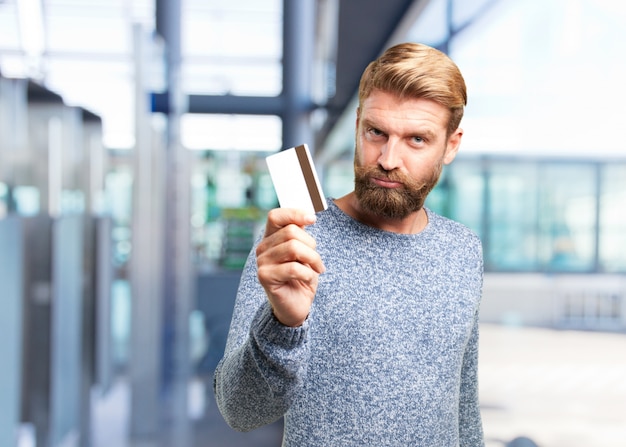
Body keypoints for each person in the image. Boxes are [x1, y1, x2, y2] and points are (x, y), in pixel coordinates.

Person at [214, 42, 484, 446]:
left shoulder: (463, 249)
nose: (388, 158)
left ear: (451, 145)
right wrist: (283, 324)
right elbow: (239, 411)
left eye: (416, 140)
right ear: (358, 124)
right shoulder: (294, 243)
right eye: (377, 132)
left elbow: (463, 406)